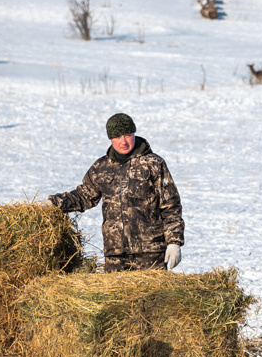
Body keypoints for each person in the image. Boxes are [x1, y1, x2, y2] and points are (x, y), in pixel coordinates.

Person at [48, 113, 184, 272]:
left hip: (150, 253)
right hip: (115, 255)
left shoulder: (154, 164)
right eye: (117, 137)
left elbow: (171, 206)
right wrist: (52, 203)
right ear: (110, 138)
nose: (123, 142)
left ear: (134, 134)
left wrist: (174, 242)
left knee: (151, 297)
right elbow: (84, 195)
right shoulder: (101, 167)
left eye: (127, 135)